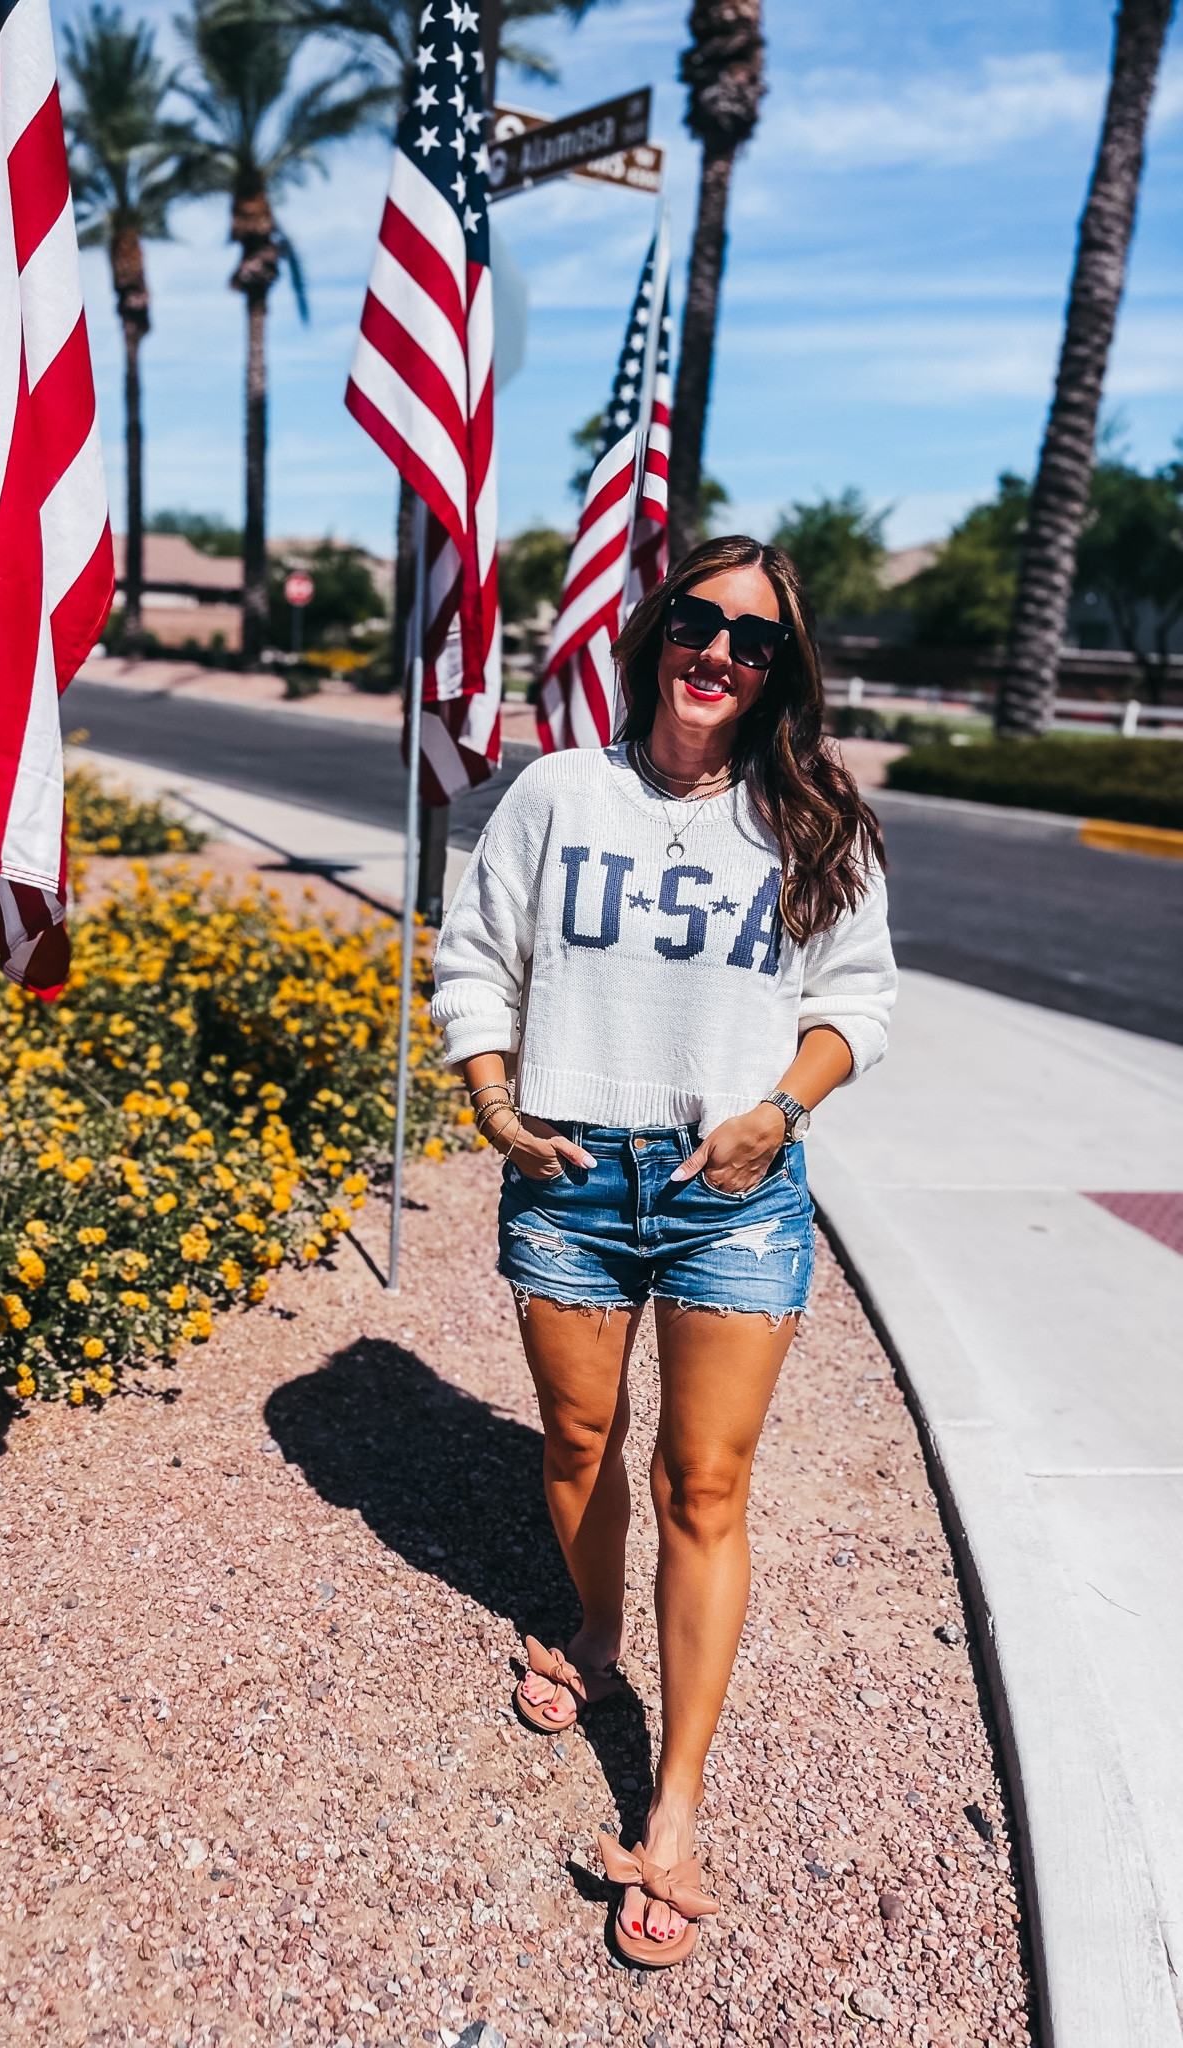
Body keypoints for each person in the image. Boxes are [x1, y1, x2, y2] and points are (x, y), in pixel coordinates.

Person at [430, 534, 897, 1968]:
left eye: (753, 641)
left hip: (733, 1184)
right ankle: (593, 1631)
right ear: (655, 634)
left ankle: (675, 1807)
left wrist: (777, 1113)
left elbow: (857, 1003)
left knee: (706, 1481)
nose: (719, 653)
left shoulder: (813, 819)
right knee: (579, 1443)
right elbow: (476, 959)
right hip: (569, 1176)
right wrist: (499, 1109)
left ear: (779, 672)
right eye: (698, 622)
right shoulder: (558, 793)